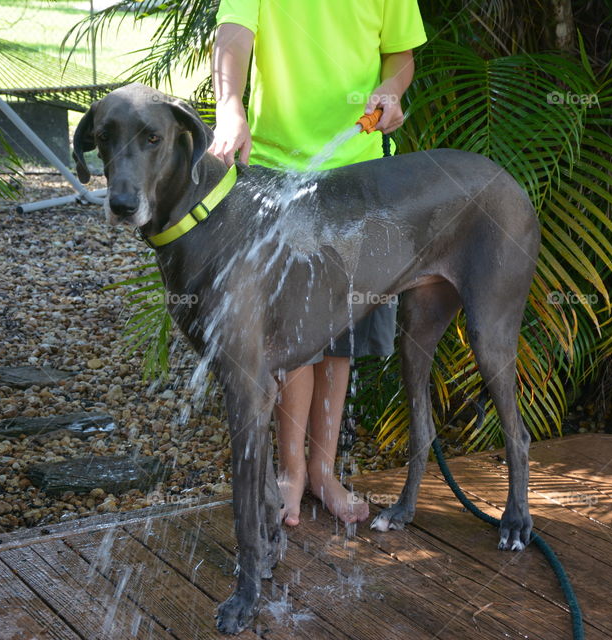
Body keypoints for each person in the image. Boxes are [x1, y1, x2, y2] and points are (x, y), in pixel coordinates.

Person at [210, 1, 426, 526]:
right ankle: (291, 474)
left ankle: (323, 473)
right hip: (276, 171)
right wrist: (230, 103)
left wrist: (391, 91)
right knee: (292, 336)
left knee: (341, 335)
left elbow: (400, 56)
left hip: (359, 174)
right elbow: (234, 34)